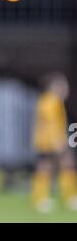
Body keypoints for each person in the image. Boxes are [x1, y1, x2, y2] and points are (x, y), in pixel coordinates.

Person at [31, 71, 77, 212]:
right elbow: (50, 124)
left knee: (50, 168)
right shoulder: (52, 101)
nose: (65, 87)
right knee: (65, 166)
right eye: (62, 84)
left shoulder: (47, 100)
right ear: (54, 86)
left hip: (45, 141)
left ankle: (42, 199)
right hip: (52, 141)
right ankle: (70, 198)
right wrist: (57, 141)